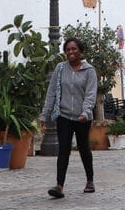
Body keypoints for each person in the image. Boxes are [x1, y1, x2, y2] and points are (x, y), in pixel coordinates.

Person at [40, 37, 97, 198]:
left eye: (74, 49)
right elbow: (52, 92)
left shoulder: (89, 70)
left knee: (83, 147)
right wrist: (45, 115)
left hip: (82, 117)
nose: (71, 52)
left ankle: (90, 180)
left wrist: (85, 112)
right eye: (68, 49)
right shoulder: (60, 69)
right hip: (64, 115)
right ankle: (59, 185)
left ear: (80, 51)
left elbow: (91, 94)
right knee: (63, 149)